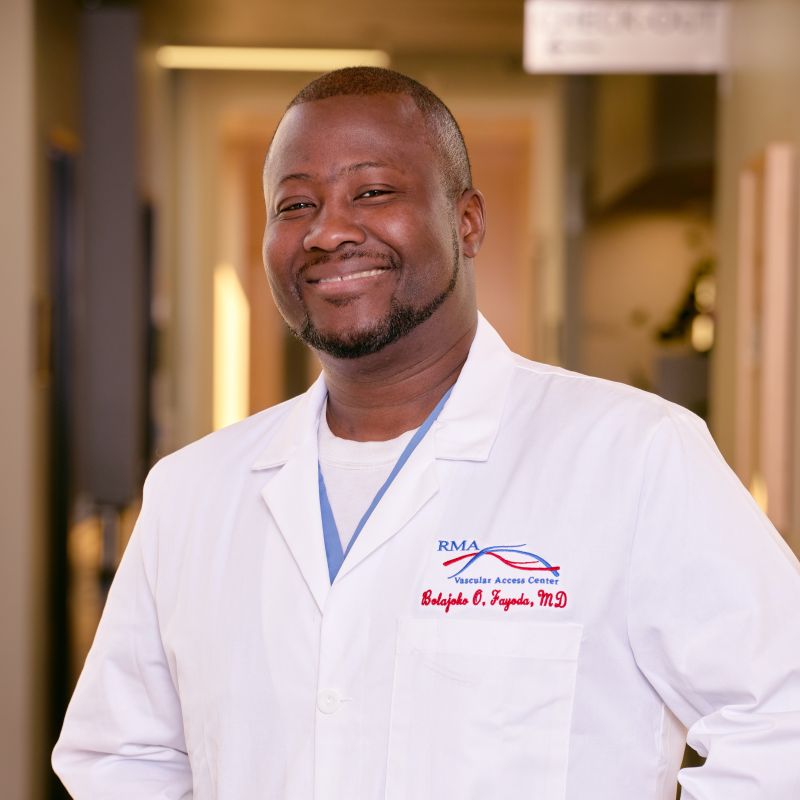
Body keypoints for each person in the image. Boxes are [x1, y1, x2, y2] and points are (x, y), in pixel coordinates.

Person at [53, 67, 800, 799]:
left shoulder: (635, 456)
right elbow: (122, 755)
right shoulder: (192, 491)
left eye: (372, 192)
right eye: (295, 204)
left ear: (466, 221)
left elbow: (782, 719)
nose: (328, 231)